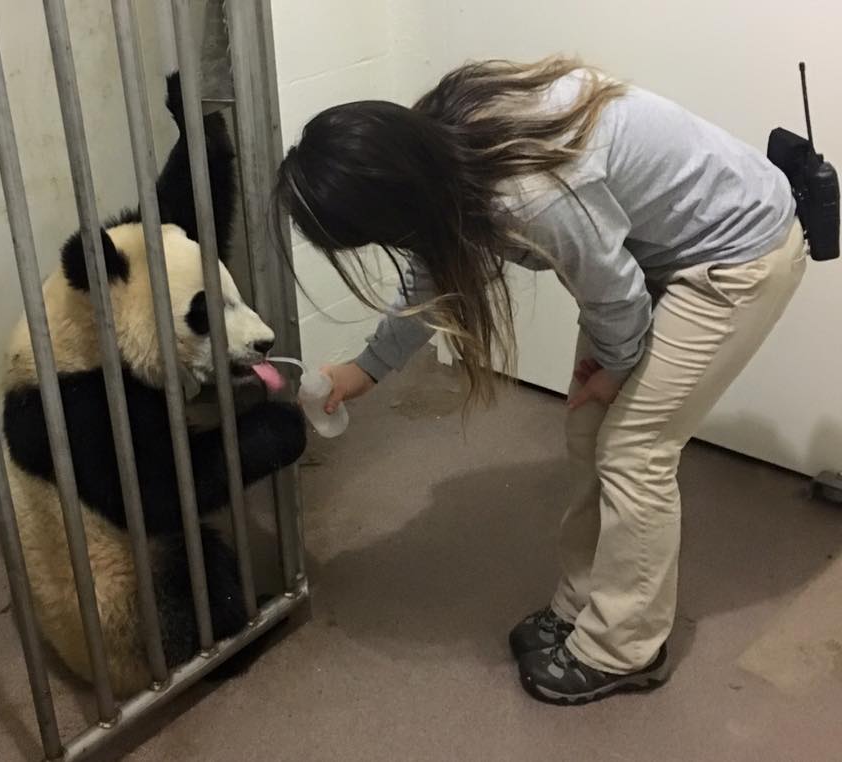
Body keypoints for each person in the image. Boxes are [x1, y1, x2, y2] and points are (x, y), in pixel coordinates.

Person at [273, 56, 805, 705]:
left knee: (635, 449)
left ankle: (625, 647)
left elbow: (616, 299)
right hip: (654, 255)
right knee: (587, 429)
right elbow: (437, 266)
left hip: (735, 253)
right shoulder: (436, 147)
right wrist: (367, 369)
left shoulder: (529, 191)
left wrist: (613, 370)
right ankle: (586, 604)